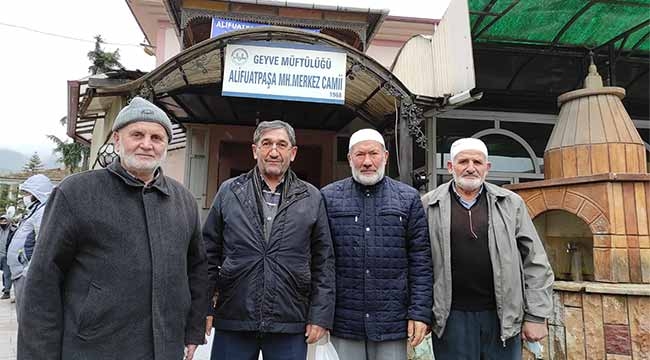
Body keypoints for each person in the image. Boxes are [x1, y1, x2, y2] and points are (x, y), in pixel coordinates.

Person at [17, 97, 209, 360]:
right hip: (93, 348)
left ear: (166, 145)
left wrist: (193, 329)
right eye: (137, 134)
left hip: (164, 348)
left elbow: (197, 268)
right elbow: (43, 281)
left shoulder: (183, 200)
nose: (146, 144)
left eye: (156, 137)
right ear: (117, 140)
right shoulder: (76, 193)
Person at [203, 120, 335, 360]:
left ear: (292, 153)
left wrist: (320, 315)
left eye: (281, 145)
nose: (274, 151)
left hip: (290, 319)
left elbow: (323, 261)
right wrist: (204, 307)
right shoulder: (229, 191)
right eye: (267, 144)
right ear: (255, 150)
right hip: (235, 315)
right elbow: (208, 253)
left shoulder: (312, 197)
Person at [422, 138, 554, 359]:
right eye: (463, 161)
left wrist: (537, 316)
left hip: (502, 320)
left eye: (477, 162)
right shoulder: (428, 205)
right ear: (450, 167)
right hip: (450, 320)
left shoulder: (511, 204)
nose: (470, 167)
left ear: (487, 168)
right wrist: (421, 315)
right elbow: (419, 264)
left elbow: (536, 261)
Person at [320, 128, 433, 360]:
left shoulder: (408, 198)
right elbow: (321, 260)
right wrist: (319, 316)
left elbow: (421, 261)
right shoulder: (328, 197)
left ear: (386, 156)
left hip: (392, 320)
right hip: (344, 320)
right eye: (360, 155)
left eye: (373, 153)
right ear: (350, 158)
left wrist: (420, 313)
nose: (367, 162)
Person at [6, 173, 53, 317]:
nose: (24, 196)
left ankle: (27, 340)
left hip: (25, 274)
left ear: (36, 193)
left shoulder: (42, 212)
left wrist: (28, 272)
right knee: (23, 316)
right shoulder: (34, 211)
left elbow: (41, 243)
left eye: (27, 193)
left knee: (27, 317)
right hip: (19, 272)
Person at [0, 214, 16, 299]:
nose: (3, 222)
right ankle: (5, 286)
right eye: (1, 220)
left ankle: (7, 291)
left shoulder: (13, 230)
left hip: (7, 255)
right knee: (4, 273)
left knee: (7, 274)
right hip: (0, 255)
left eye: (5, 220)